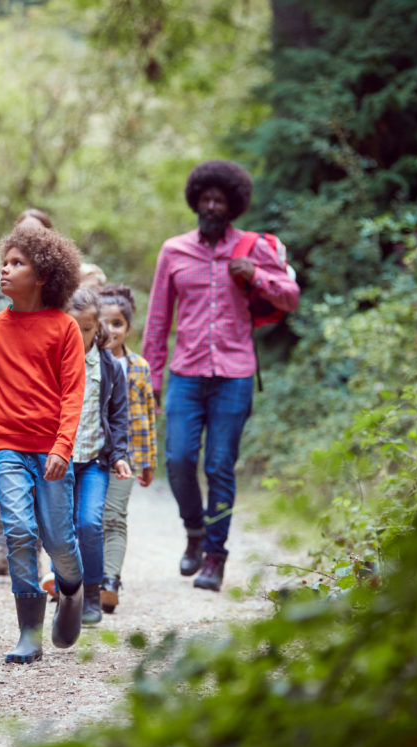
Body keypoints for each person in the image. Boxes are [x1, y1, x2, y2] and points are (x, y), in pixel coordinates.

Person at [143, 160, 299, 592]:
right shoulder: (174, 250)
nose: (212, 205)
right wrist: (151, 382)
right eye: (206, 198)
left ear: (232, 206)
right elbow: (157, 320)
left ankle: (215, 556)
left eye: (221, 200)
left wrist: (258, 275)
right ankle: (194, 530)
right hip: (186, 374)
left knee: (220, 466)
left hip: (235, 375)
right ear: (196, 201)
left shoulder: (253, 248)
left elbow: (290, 297)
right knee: (177, 460)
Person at [0, 223, 86, 664]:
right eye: (5, 262)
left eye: (18, 263)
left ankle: (72, 590)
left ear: (43, 277)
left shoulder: (65, 328)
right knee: (18, 532)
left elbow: (73, 393)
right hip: (7, 448)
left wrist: (61, 446)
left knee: (58, 540)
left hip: (51, 450)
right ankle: (29, 633)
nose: (5, 270)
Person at [0, 208, 54, 578]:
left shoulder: (55, 288)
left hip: (41, 394)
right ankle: (0, 547)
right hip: (3, 388)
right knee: (1, 467)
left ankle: (30, 549)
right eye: (19, 233)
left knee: (38, 477)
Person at [65, 288, 132, 625]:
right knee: (60, 529)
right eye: (72, 328)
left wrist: (119, 454)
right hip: (58, 462)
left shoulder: (109, 367)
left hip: (94, 462)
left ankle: (92, 592)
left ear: (97, 329)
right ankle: (68, 593)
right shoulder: (53, 362)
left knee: (89, 524)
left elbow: (119, 414)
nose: (79, 336)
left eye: (87, 329)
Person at [95, 284, 156, 613]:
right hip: (91, 453)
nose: (111, 330)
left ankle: (110, 580)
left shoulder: (140, 367)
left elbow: (147, 415)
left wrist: (149, 460)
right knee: (88, 518)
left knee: (114, 517)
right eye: (104, 323)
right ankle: (76, 579)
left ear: (128, 328)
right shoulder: (86, 362)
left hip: (128, 456)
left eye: (117, 323)